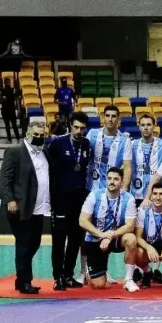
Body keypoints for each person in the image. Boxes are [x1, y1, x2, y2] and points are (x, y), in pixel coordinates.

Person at [0, 121, 50, 294]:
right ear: (28, 134)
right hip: (20, 207)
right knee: (24, 243)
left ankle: (21, 278)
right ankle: (25, 281)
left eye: (41, 135)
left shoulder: (45, 152)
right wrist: (10, 200)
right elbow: (5, 179)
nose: (38, 138)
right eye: (35, 135)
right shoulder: (14, 152)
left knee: (34, 242)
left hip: (39, 208)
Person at [48, 112, 92, 290]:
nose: (79, 131)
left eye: (82, 128)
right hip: (60, 198)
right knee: (59, 239)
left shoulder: (86, 144)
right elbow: (48, 169)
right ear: (70, 126)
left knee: (75, 238)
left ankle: (68, 275)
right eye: (76, 127)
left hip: (79, 198)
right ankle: (57, 276)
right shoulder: (57, 143)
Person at [78, 167, 140, 292]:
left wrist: (109, 236)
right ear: (106, 180)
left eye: (116, 179)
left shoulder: (129, 199)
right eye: (109, 178)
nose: (112, 182)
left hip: (115, 238)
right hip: (96, 239)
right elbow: (82, 220)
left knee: (131, 238)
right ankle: (92, 271)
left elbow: (130, 226)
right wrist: (102, 235)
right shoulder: (94, 196)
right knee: (98, 285)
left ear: (122, 182)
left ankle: (128, 280)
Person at [131, 114, 162, 208]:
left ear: (154, 126)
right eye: (143, 125)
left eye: (149, 125)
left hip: (156, 196)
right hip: (135, 194)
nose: (146, 128)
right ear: (139, 127)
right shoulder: (132, 144)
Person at [0, 78, 21, 143]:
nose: (8, 83)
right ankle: (9, 139)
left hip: (12, 111)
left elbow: (17, 98)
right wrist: (2, 99)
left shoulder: (13, 90)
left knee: (14, 125)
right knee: (7, 126)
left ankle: (18, 138)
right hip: (5, 111)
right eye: (7, 82)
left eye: (9, 82)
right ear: (4, 83)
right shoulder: (1, 91)